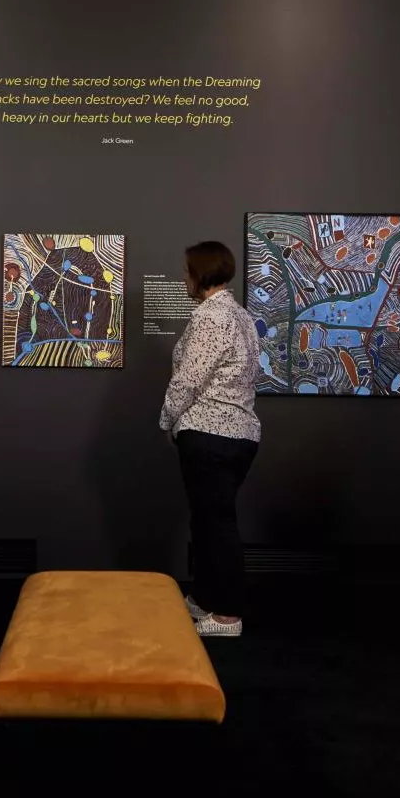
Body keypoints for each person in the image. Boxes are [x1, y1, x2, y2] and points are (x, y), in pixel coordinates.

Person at [159, 240, 261, 638]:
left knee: (216, 524)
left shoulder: (211, 318)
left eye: (186, 271)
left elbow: (187, 380)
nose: (183, 279)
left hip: (210, 434)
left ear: (200, 274)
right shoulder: (242, 317)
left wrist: (166, 420)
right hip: (239, 435)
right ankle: (204, 599)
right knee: (208, 520)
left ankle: (227, 616)